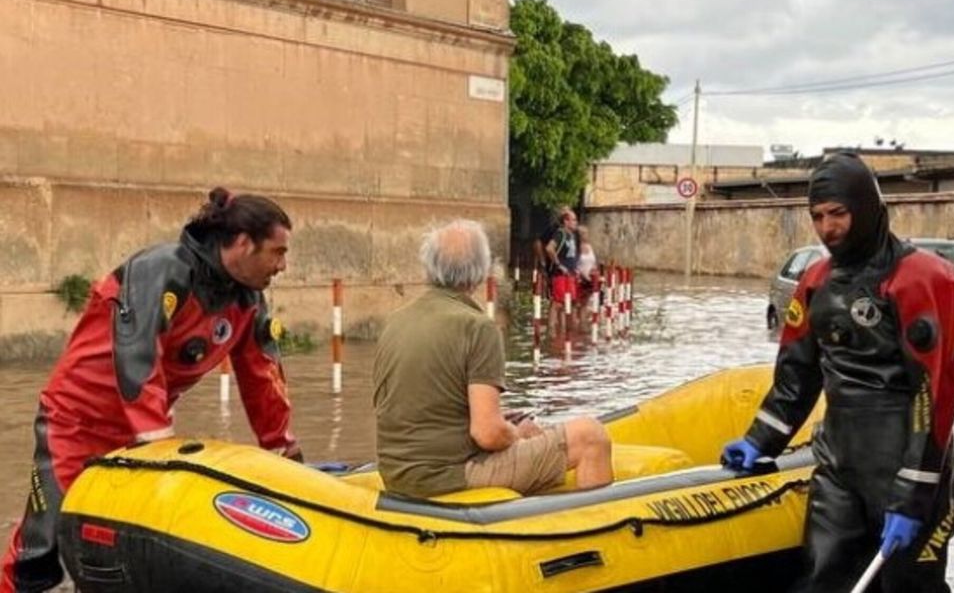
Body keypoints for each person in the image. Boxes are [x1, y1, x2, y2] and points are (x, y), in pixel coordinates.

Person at [1, 188, 299, 593]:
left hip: (135, 435)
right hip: (74, 424)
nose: (282, 265)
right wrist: (158, 440)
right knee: (42, 549)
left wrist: (283, 450)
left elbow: (262, 376)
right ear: (244, 244)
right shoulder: (161, 270)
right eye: (277, 252)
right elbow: (136, 355)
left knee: (121, 547)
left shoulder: (248, 301)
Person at [721, 152, 954, 593]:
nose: (827, 228)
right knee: (823, 576)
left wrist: (914, 492)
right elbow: (796, 376)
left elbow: (934, 393)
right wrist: (759, 440)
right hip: (839, 462)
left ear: (866, 207)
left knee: (909, 585)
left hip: (906, 460)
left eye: (837, 214)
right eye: (817, 217)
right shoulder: (816, 282)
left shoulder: (925, 279)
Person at [373, 219, 612, 499]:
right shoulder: (478, 327)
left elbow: (413, 404)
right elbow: (487, 433)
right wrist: (515, 433)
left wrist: (496, 419)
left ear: (429, 266)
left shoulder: (395, 322)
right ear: (479, 273)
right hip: (448, 475)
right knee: (591, 436)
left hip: (395, 473)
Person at [545, 208, 581, 335]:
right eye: (573, 220)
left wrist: (575, 268)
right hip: (560, 275)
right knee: (557, 303)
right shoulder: (560, 234)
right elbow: (549, 248)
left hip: (570, 274)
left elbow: (570, 256)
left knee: (569, 302)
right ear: (566, 221)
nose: (576, 222)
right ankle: (552, 331)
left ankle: (562, 330)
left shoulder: (572, 236)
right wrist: (559, 265)